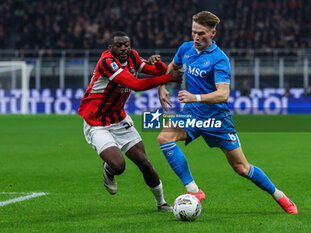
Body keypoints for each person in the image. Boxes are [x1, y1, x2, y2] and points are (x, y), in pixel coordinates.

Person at [157, 11, 298, 214]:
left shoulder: (219, 59)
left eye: (201, 33)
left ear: (213, 33)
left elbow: (223, 94)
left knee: (241, 168)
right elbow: (173, 66)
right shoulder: (186, 49)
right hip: (191, 115)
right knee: (164, 137)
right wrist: (162, 86)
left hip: (217, 119)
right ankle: (194, 190)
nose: (196, 37)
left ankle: (279, 195)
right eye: (194, 32)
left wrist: (194, 97)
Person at [78, 31, 182, 212]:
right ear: (110, 47)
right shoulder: (107, 62)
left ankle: (161, 203)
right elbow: (136, 84)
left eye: (127, 44)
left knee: (145, 163)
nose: (124, 48)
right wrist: (168, 78)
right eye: (119, 45)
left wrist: (157, 64)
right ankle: (109, 169)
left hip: (119, 118)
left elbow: (155, 71)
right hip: (97, 122)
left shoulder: (133, 57)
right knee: (119, 166)